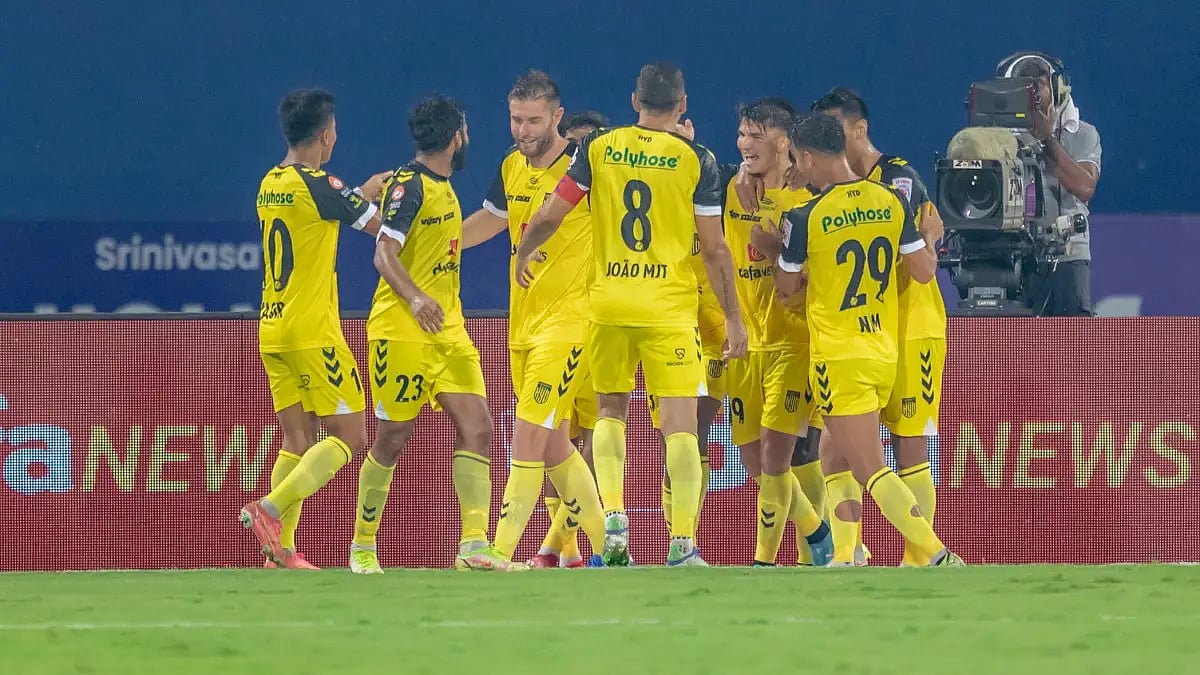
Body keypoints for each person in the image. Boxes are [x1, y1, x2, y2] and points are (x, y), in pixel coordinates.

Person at [516, 62, 748, 567]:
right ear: (682, 103)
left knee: (610, 411)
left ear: (634, 100)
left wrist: (523, 251)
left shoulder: (597, 149)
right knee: (681, 426)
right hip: (668, 308)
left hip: (608, 304)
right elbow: (713, 249)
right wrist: (733, 316)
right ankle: (683, 542)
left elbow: (553, 212)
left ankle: (615, 515)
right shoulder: (698, 159)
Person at [770, 114, 961, 567]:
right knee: (833, 457)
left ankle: (935, 554)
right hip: (883, 349)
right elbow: (923, 271)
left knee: (870, 468)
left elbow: (784, 288)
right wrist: (931, 240)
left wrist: (775, 245)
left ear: (811, 157)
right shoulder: (891, 201)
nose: (799, 170)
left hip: (839, 356)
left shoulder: (806, 216)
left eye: (799, 160)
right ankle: (844, 554)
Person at [346, 95, 506, 573]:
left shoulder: (437, 187)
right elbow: (382, 253)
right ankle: (362, 546)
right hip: (402, 330)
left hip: (449, 331)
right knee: (393, 435)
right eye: (466, 130)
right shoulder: (410, 188)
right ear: (456, 136)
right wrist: (416, 298)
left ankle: (474, 545)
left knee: (478, 428)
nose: (469, 139)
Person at [460, 70, 608, 569]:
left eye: (533, 120)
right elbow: (491, 220)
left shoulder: (585, 170)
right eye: (515, 119)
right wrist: (440, 243)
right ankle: (611, 549)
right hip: (522, 323)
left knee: (529, 431)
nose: (522, 130)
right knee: (554, 447)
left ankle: (499, 549)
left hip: (571, 322)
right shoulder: (509, 166)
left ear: (558, 118)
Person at [242, 88, 388, 568]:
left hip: (273, 329)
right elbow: (380, 227)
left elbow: (326, 207)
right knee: (351, 438)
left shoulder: (269, 182)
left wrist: (354, 193)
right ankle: (268, 509)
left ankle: (279, 551)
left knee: (297, 442)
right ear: (326, 134)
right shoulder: (322, 182)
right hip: (313, 332)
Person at [811, 87, 948, 566]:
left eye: (835, 129)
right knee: (834, 448)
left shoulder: (898, 180)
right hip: (873, 333)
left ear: (859, 129)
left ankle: (920, 558)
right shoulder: (828, 191)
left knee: (909, 445)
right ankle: (848, 556)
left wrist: (932, 239)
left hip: (914, 326)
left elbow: (921, 261)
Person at [719, 99, 832, 567]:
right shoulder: (732, 188)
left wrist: (775, 247)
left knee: (776, 453)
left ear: (784, 143)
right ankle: (815, 531)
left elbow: (811, 275)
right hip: (746, 341)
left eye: (756, 136)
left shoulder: (807, 202)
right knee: (753, 461)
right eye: (742, 134)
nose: (745, 144)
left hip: (792, 339)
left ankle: (764, 562)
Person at [998, 52, 1102, 317]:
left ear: (1056, 89)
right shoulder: (1000, 138)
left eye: (1039, 85)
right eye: (1024, 87)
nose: (1032, 94)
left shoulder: (1083, 133)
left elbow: (1084, 187)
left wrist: (1046, 139)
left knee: (1072, 350)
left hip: (1068, 255)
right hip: (1012, 255)